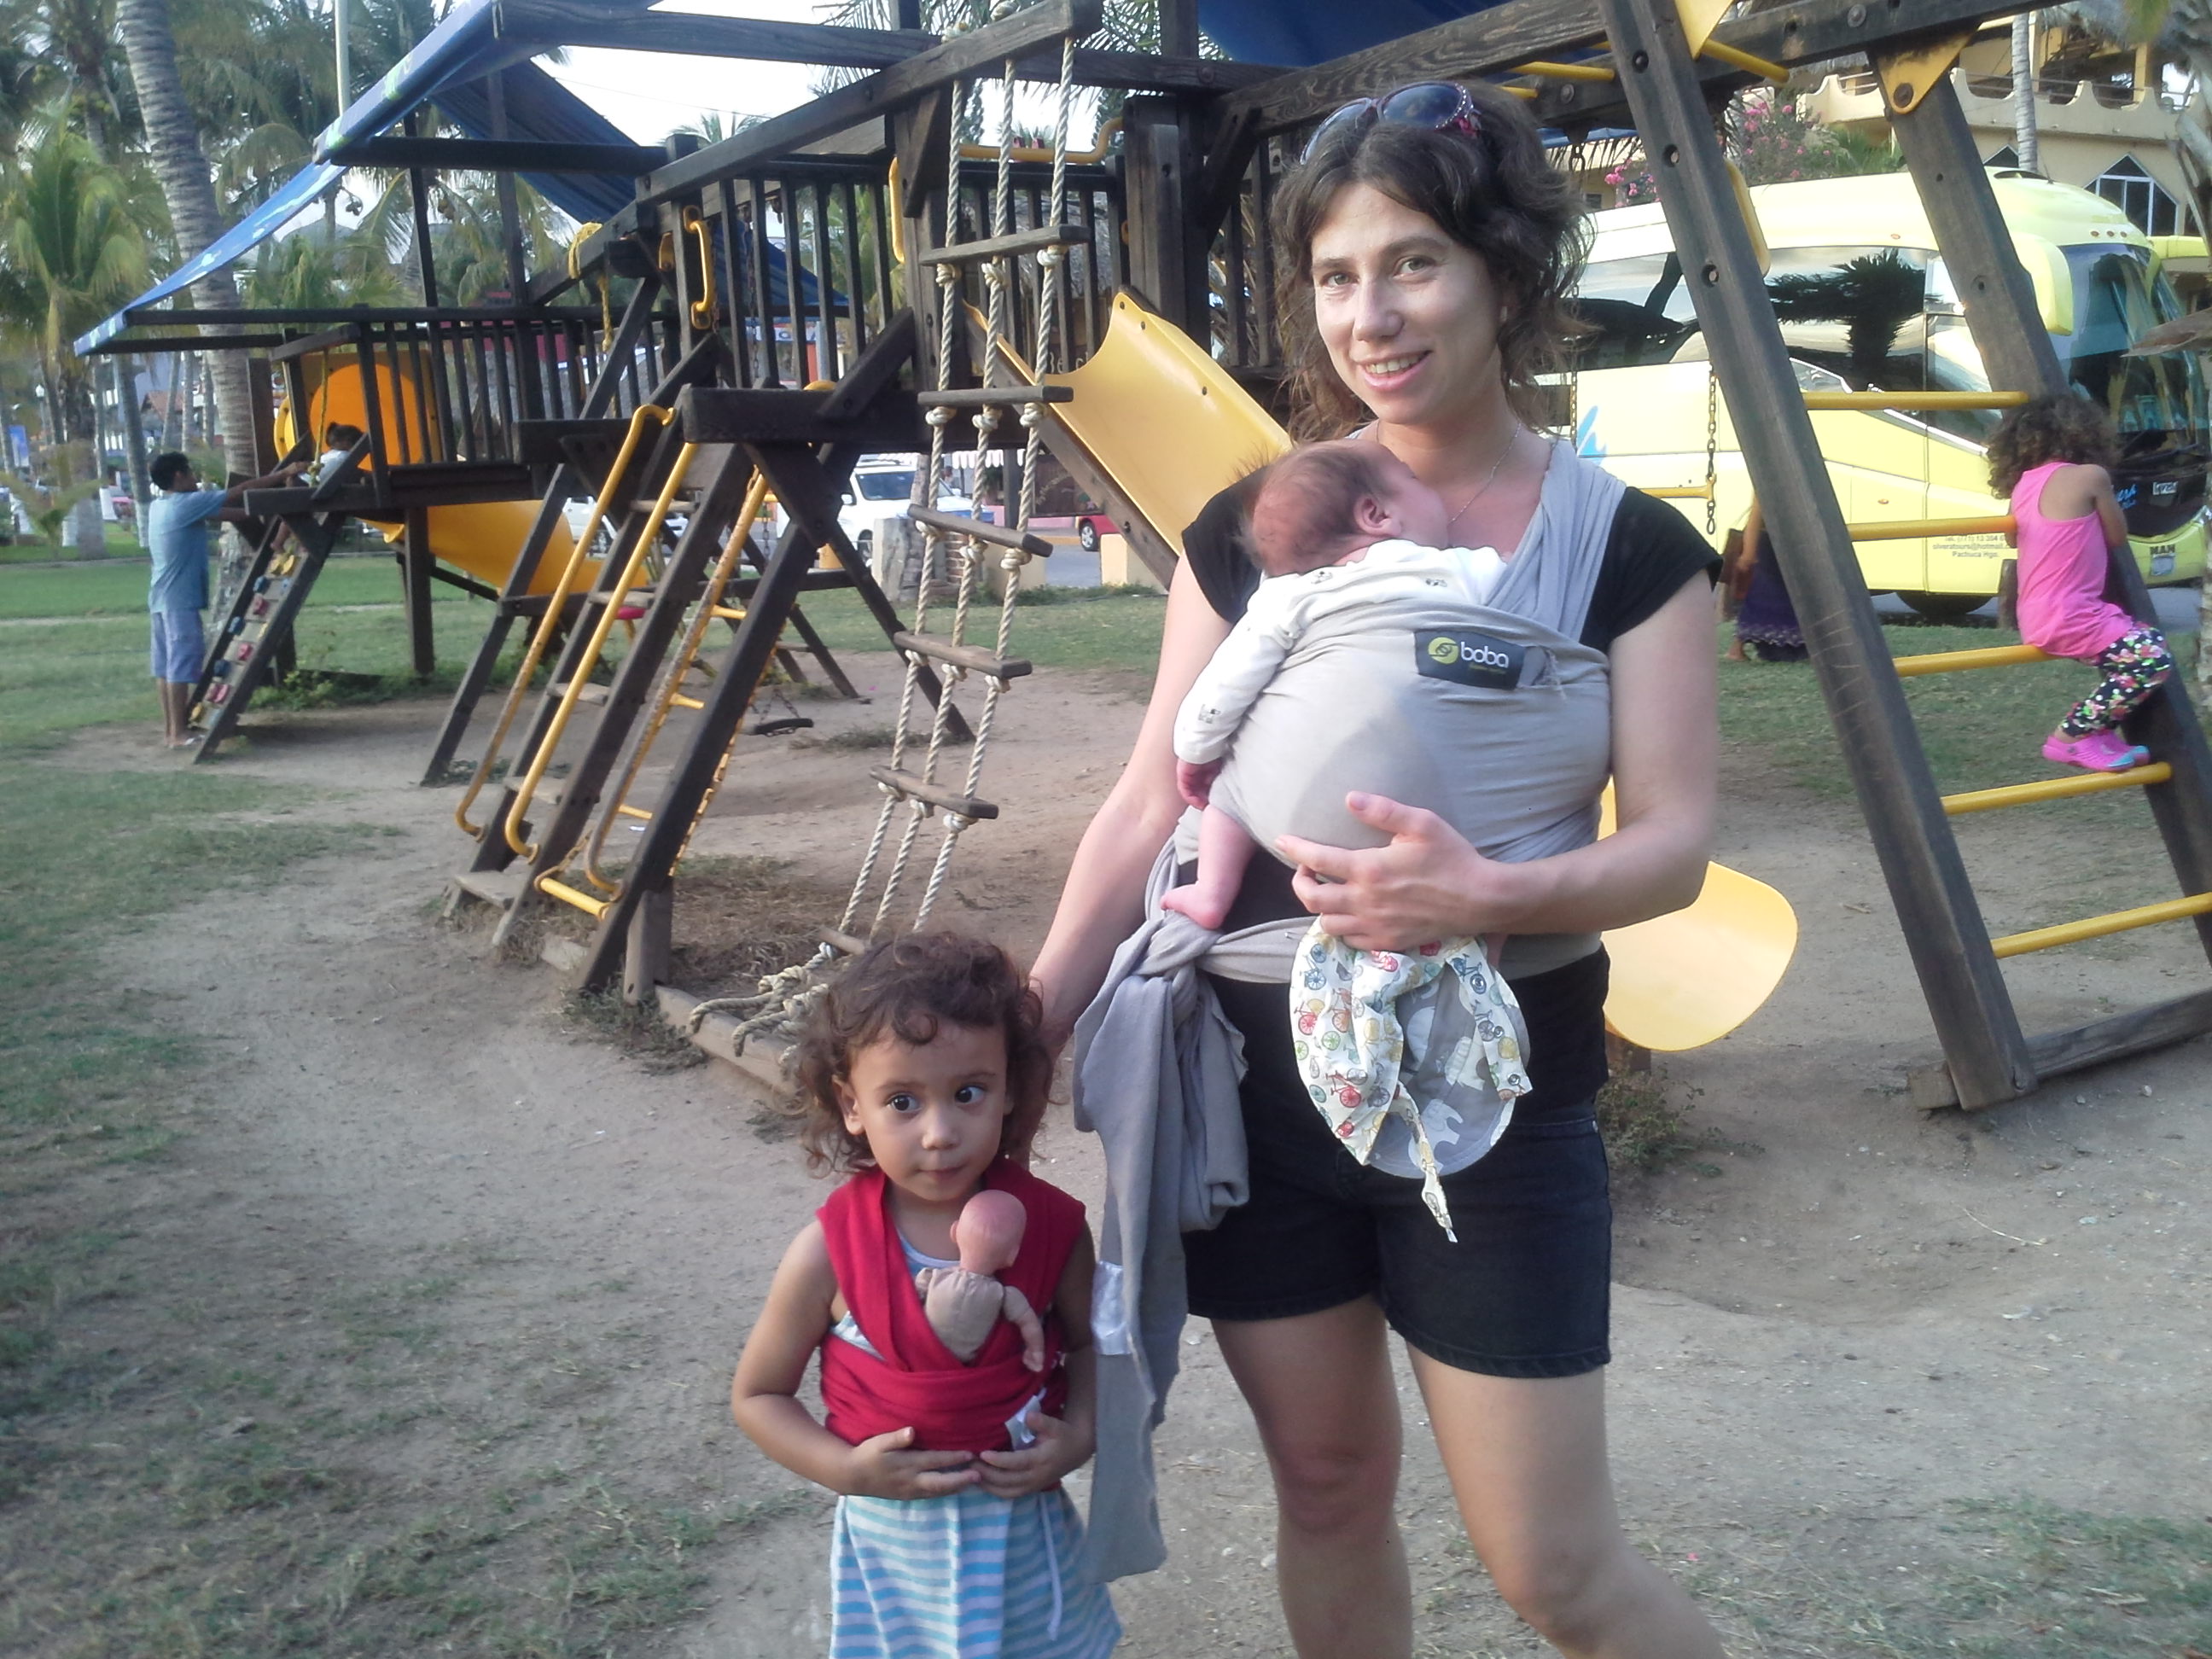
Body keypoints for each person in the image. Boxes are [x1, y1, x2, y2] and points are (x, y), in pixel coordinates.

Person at [1032, 79, 1725, 1657]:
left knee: (1553, 1567)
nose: (1373, 315)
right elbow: (1151, 793)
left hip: (1489, 1091)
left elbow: (1675, 848)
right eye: (1338, 276)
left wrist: (1488, 899)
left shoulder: (1627, 548)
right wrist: (1035, 1015)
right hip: (1248, 1087)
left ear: (1503, 270)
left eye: (1413, 263)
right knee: (1329, 1485)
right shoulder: (1259, 526)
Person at [730, 932, 1121, 1659]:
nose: (940, 1134)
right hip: (895, 1566)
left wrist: (1082, 1434)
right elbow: (758, 1396)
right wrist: (843, 1470)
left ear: (1010, 1090)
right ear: (852, 1105)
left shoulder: (1054, 1230)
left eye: (968, 1093)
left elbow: (1092, 1344)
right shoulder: (828, 1253)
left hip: (1026, 1553)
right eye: (902, 1102)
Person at [1988, 393, 2172, 774]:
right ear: (2088, 435)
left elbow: (2012, 537)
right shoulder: (2091, 477)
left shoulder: (2023, 485)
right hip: (2071, 613)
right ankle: (2070, 736)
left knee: (2146, 642)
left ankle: (2098, 733)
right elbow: (2117, 535)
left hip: (2040, 611)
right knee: (2151, 658)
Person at [145, 450, 303, 748]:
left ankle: (170, 731)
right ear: (179, 476)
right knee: (180, 666)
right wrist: (285, 474)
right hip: (180, 599)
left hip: (160, 597)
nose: (195, 478)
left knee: (165, 667)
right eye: (190, 472)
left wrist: (278, 508)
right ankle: (178, 734)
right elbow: (241, 491)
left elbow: (237, 513)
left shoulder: (160, 506)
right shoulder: (188, 503)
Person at [1724, 498, 1807, 664]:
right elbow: (1756, 515)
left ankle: (1738, 647)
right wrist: (1749, 553)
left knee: (1763, 595)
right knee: (1765, 595)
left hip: (1778, 542)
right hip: (1771, 544)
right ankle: (1737, 647)